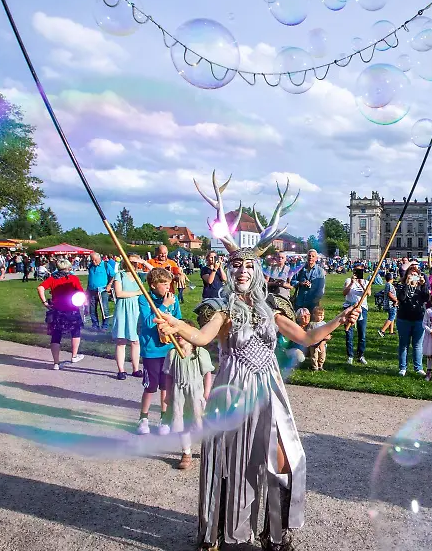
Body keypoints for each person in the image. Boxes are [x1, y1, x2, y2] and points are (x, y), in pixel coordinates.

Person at [153, 230, 360, 550]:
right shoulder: (222, 310)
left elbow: (307, 338)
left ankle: (275, 535)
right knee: (227, 462)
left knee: (286, 461)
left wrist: (339, 319)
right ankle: (213, 533)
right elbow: (202, 338)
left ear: (258, 273)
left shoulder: (272, 309)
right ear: (229, 271)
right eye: (237, 266)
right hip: (233, 389)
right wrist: (177, 325)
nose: (242, 271)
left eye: (249, 266)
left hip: (268, 389)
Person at [136, 268, 181, 436]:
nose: (168, 287)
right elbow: (148, 323)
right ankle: (143, 418)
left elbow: (178, 319)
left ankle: (164, 418)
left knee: (165, 385)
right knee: (151, 386)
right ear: (153, 285)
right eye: (164, 284)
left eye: (169, 284)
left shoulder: (173, 299)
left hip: (168, 348)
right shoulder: (144, 299)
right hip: (151, 350)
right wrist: (164, 306)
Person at [168, 330, 215, 470]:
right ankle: (186, 452)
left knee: (201, 422)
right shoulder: (172, 353)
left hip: (196, 393)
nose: (178, 336)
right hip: (178, 393)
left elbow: (207, 374)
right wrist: (167, 394)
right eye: (176, 334)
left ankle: (209, 449)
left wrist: (207, 392)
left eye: (182, 333)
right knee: (181, 422)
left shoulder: (200, 353)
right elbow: (169, 376)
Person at [37, 259, 86, 370]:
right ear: (68, 268)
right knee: (75, 331)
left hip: (57, 309)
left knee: (56, 335)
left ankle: (56, 363)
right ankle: (74, 356)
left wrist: (45, 302)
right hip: (72, 309)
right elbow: (81, 292)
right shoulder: (73, 278)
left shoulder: (52, 279)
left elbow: (40, 288)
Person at [110, 258, 143, 380]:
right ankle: (121, 370)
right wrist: (136, 292)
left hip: (135, 309)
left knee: (135, 341)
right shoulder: (119, 275)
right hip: (123, 309)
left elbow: (154, 272)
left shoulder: (138, 276)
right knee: (121, 341)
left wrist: (144, 262)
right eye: (131, 262)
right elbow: (119, 293)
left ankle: (136, 369)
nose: (134, 265)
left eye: (135, 263)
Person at [395, 260, 429, 377]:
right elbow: (401, 298)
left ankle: (418, 367)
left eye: (415, 274)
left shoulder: (420, 286)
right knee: (403, 344)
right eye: (411, 274)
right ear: (407, 275)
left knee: (418, 345)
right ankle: (402, 367)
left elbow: (426, 298)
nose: (413, 276)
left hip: (419, 318)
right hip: (404, 318)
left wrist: (424, 285)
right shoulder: (401, 285)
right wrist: (406, 284)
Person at [342, 263, 370, 365]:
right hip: (349, 308)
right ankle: (350, 355)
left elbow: (368, 293)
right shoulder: (348, 280)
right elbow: (344, 293)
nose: (357, 273)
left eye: (360, 271)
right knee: (349, 332)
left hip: (362, 308)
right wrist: (351, 283)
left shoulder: (366, 282)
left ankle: (360, 355)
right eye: (356, 270)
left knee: (362, 333)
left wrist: (361, 283)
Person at [86, 252, 111, 330]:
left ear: (99, 258)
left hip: (102, 291)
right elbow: (90, 278)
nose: (94, 262)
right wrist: (87, 289)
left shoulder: (106, 265)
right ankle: (95, 325)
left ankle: (105, 325)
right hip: (92, 290)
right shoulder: (90, 266)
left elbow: (113, 276)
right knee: (92, 309)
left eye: (95, 260)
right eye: (92, 260)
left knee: (104, 308)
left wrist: (109, 285)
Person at [377, 272, 397, 338]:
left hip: (388, 304)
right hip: (391, 304)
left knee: (392, 317)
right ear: (392, 278)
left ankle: (391, 331)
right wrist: (396, 300)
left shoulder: (387, 284)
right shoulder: (389, 285)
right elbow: (389, 294)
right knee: (391, 317)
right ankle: (382, 331)